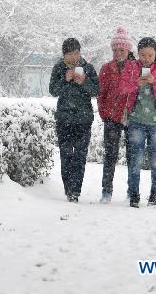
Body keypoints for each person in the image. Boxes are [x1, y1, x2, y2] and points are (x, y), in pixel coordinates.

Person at [119, 36, 156, 208]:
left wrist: (154, 81)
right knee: (136, 159)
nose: (146, 59)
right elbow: (122, 88)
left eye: (150, 55)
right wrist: (136, 83)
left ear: (155, 53)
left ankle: (155, 194)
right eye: (142, 55)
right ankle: (134, 195)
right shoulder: (131, 66)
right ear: (138, 54)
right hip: (136, 121)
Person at [48, 37, 99, 202]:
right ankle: (68, 189)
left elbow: (96, 90)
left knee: (80, 156)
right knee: (66, 155)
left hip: (83, 120)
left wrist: (83, 81)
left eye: (76, 53)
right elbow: (53, 90)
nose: (74, 57)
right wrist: (66, 78)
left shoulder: (88, 68)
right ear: (64, 55)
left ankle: (75, 191)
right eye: (70, 54)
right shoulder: (58, 68)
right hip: (64, 119)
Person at [97, 26, 135, 203]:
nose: (119, 53)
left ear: (128, 50)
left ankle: (131, 191)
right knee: (110, 155)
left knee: (131, 156)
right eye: (116, 50)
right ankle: (106, 191)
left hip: (130, 117)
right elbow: (101, 93)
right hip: (111, 117)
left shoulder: (135, 68)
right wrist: (104, 113)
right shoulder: (106, 68)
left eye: (122, 50)